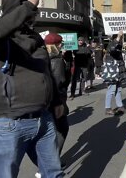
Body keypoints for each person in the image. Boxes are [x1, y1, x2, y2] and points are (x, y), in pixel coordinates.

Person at [0, 0, 63, 177]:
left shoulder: (35, 37)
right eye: (30, 5)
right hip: (9, 123)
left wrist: (57, 101)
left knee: (54, 173)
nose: (36, 11)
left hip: (43, 119)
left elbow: (46, 70)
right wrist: (29, 4)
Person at [44, 33, 70, 165]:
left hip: (44, 100)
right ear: (58, 45)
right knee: (62, 129)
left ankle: (46, 163)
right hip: (56, 100)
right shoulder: (57, 60)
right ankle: (51, 163)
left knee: (49, 132)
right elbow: (59, 82)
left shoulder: (41, 56)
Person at [104, 31, 126, 115]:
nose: (121, 38)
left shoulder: (119, 45)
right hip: (113, 70)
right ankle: (108, 108)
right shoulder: (111, 44)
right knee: (111, 89)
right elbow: (112, 49)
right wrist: (118, 36)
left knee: (118, 89)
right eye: (121, 37)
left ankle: (120, 106)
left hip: (118, 70)